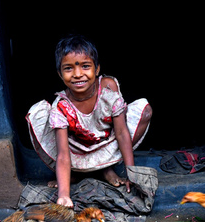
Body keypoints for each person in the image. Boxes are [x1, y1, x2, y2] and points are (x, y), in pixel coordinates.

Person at [26, 35, 152, 207]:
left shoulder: (108, 89)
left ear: (97, 69)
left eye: (85, 66)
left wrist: (132, 174)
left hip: (107, 145)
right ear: (60, 74)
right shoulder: (61, 107)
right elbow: (62, 155)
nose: (78, 74)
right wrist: (64, 195)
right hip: (77, 153)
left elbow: (122, 133)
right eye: (68, 68)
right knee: (38, 116)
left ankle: (105, 168)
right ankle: (75, 174)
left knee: (144, 110)